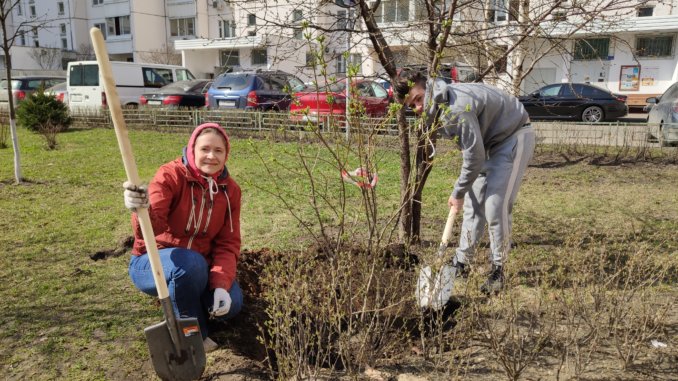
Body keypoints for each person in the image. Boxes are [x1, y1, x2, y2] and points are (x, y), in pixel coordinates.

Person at [395, 70, 535, 294]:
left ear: (428, 88)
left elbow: (474, 156)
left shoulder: (455, 109)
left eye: (418, 99)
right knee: (473, 206)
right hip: (487, 143)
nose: (418, 108)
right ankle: (462, 262)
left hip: (513, 136)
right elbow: (473, 152)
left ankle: (499, 268)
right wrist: (464, 191)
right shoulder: (441, 107)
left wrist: (458, 191)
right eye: (412, 106)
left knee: (495, 206)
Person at [123, 122, 242, 351]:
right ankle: (194, 337)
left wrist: (220, 285)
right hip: (153, 262)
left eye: (218, 151)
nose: (211, 156)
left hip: (199, 266)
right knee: (189, 266)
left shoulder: (230, 191)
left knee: (233, 303)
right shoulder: (170, 175)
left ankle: (189, 300)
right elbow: (149, 228)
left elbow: (228, 243)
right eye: (205, 149)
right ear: (192, 149)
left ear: (226, 154)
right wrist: (140, 209)